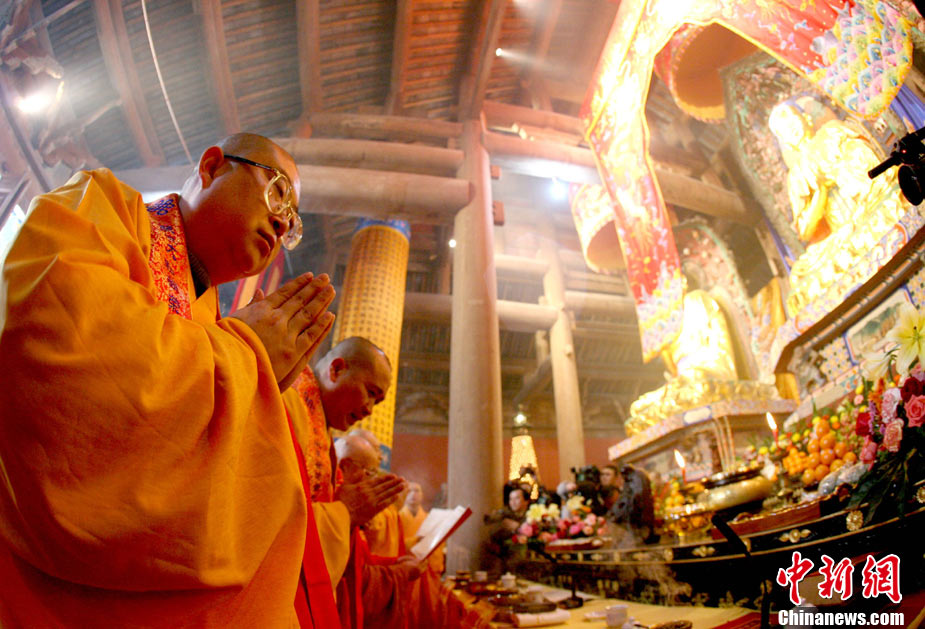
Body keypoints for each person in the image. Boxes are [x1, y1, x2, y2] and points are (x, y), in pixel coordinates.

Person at [0, 133, 340, 627]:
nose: (283, 221)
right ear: (212, 166)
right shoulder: (102, 205)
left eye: (293, 221)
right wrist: (241, 359)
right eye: (278, 193)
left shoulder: (216, 323)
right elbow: (63, 355)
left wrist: (252, 389)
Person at [280, 337, 409, 629]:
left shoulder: (322, 429)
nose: (370, 410)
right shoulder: (288, 402)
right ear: (336, 370)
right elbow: (267, 520)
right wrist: (345, 511)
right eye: (371, 393)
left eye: (377, 401)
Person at [335, 434, 423, 629]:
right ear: (344, 466)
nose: (382, 456)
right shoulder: (336, 508)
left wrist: (394, 564)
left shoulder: (351, 508)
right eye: (369, 472)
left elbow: (361, 561)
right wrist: (399, 573)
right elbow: (352, 580)